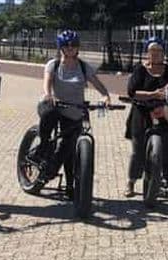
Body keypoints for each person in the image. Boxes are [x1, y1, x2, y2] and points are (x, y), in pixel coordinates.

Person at [34, 30, 112, 200]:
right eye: (66, 46)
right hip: (55, 107)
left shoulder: (83, 67)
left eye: (73, 46)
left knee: (69, 148)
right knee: (49, 113)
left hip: (74, 111)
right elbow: (47, 82)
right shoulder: (53, 65)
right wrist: (49, 95)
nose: (70, 49)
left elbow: (98, 84)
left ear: (78, 48)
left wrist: (105, 96)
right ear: (60, 47)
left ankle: (70, 185)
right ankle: (43, 146)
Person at [125, 37, 168, 197]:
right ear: (147, 53)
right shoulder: (140, 70)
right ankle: (131, 181)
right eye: (152, 51)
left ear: (163, 53)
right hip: (142, 113)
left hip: (166, 114)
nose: (155, 54)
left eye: (159, 51)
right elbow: (132, 92)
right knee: (137, 150)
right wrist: (154, 94)